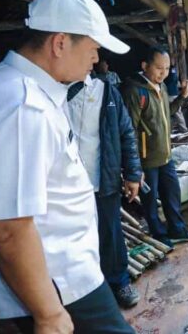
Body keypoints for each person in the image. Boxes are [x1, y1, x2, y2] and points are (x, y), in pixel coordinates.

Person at [0, 0, 135, 333]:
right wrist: (49, 313)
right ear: (59, 43)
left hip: (65, 278)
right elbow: (7, 227)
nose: (96, 60)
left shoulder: (29, 93)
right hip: (57, 286)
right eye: (93, 49)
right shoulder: (21, 107)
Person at [67, 73, 143, 308]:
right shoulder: (51, 93)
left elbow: (126, 132)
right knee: (73, 240)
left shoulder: (107, 91)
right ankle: (84, 292)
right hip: (66, 185)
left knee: (110, 233)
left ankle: (119, 282)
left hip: (103, 178)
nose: (94, 58)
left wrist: (132, 173)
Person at [122, 47, 188, 248]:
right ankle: (158, 234)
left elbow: (169, 112)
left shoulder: (162, 87)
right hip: (146, 159)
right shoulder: (135, 91)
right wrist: (134, 167)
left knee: (171, 193)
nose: (163, 73)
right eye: (159, 68)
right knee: (150, 200)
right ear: (145, 66)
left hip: (165, 155)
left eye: (166, 68)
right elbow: (129, 129)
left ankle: (177, 230)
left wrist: (182, 96)